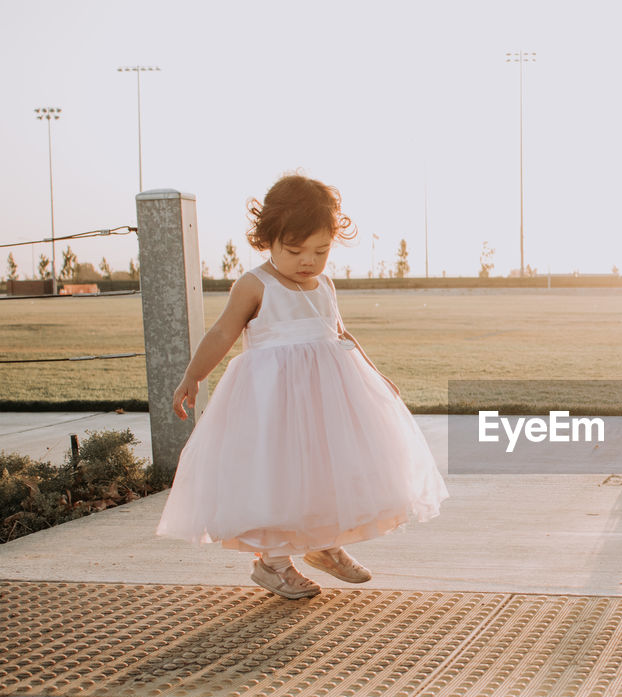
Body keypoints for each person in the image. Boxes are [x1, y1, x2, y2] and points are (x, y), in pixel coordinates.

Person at [156, 173, 447, 599]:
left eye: (320, 250)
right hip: (275, 406)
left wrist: (375, 375)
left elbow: (341, 336)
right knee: (281, 480)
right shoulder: (256, 285)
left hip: (328, 402)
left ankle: (325, 546)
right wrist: (193, 375)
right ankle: (273, 564)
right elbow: (221, 333)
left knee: (329, 472)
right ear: (267, 239)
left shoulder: (324, 285)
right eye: (294, 251)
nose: (308, 261)